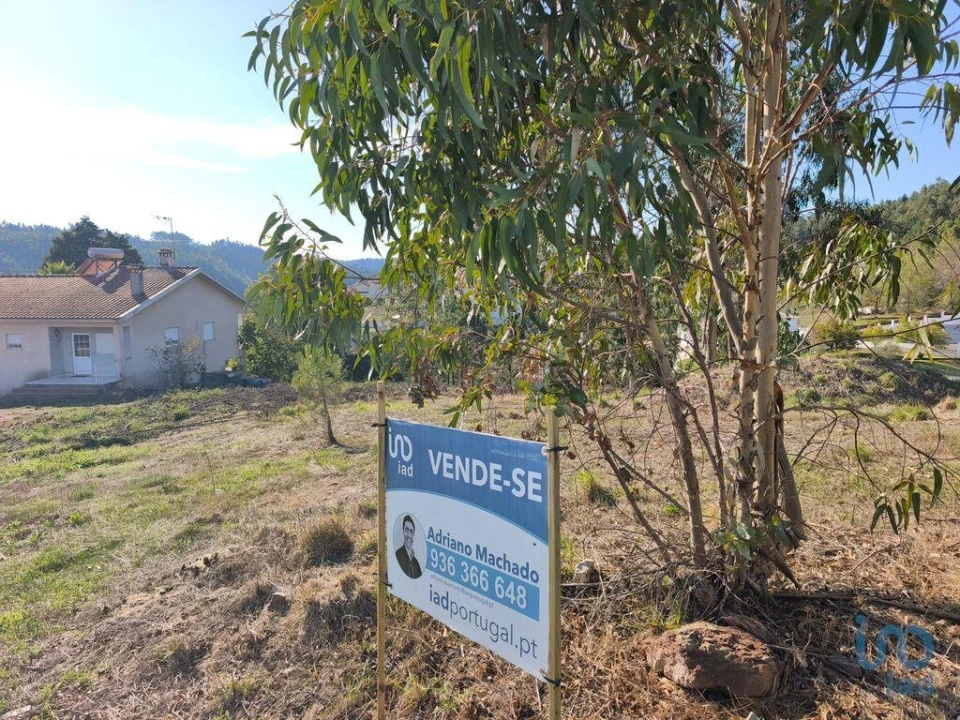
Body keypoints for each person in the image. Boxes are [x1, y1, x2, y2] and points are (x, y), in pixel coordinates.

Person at [395, 514, 422, 579]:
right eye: (406, 530)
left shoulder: (416, 562)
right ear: (403, 531)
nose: (409, 535)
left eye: (411, 531)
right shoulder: (398, 554)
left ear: (414, 534)